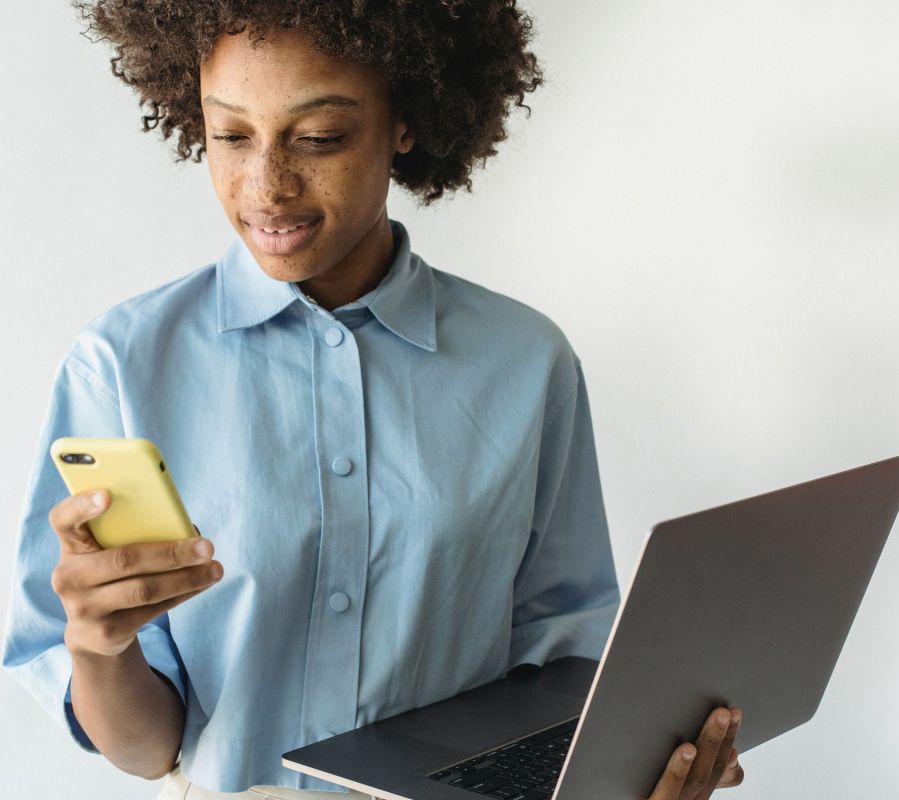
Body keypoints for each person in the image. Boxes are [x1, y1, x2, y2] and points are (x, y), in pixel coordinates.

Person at [2, 3, 744, 799]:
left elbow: (566, 664)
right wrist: (98, 648)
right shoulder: (121, 364)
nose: (268, 186)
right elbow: (147, 751)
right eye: (231, 135)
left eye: (319, 137)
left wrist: (640, 762)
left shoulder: (528, 363)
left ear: (404, 122)